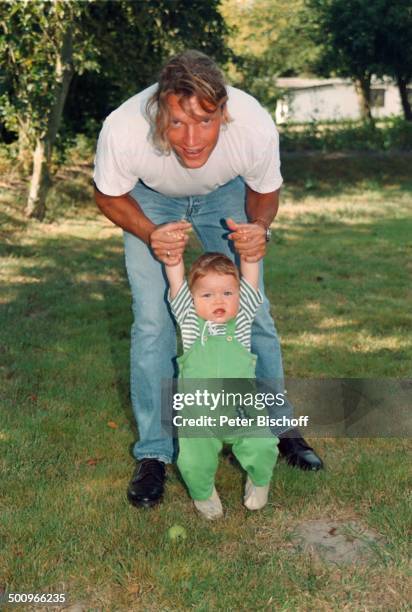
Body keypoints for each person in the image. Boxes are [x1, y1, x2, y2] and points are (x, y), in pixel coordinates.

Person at [93, 49, 323, 509]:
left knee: (253, 315)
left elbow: (264, 189)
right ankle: (155, 454)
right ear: (160, 109)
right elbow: (108, 194)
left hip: (225, 194)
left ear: (224, 111)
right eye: (177, 122)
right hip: (150, 200)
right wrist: (151, 233)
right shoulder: (124, 128)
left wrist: (260, 231)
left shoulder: (252, 125)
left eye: (205, 121)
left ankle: (278, 429)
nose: (191, 139)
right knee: (154, 323)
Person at [166, 246, 279, 519]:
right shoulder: (191, 325)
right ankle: (203, 494)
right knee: (194, 460)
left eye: (228, 293)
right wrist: (173, 259)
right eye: (207, 294)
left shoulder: (240, 323)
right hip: (199, 411)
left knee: (262, 445)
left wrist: (250, 257)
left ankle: (259, 480)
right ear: (192, 300)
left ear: (238, 297)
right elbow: (176, 285)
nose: (219, 300)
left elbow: (251, 283)